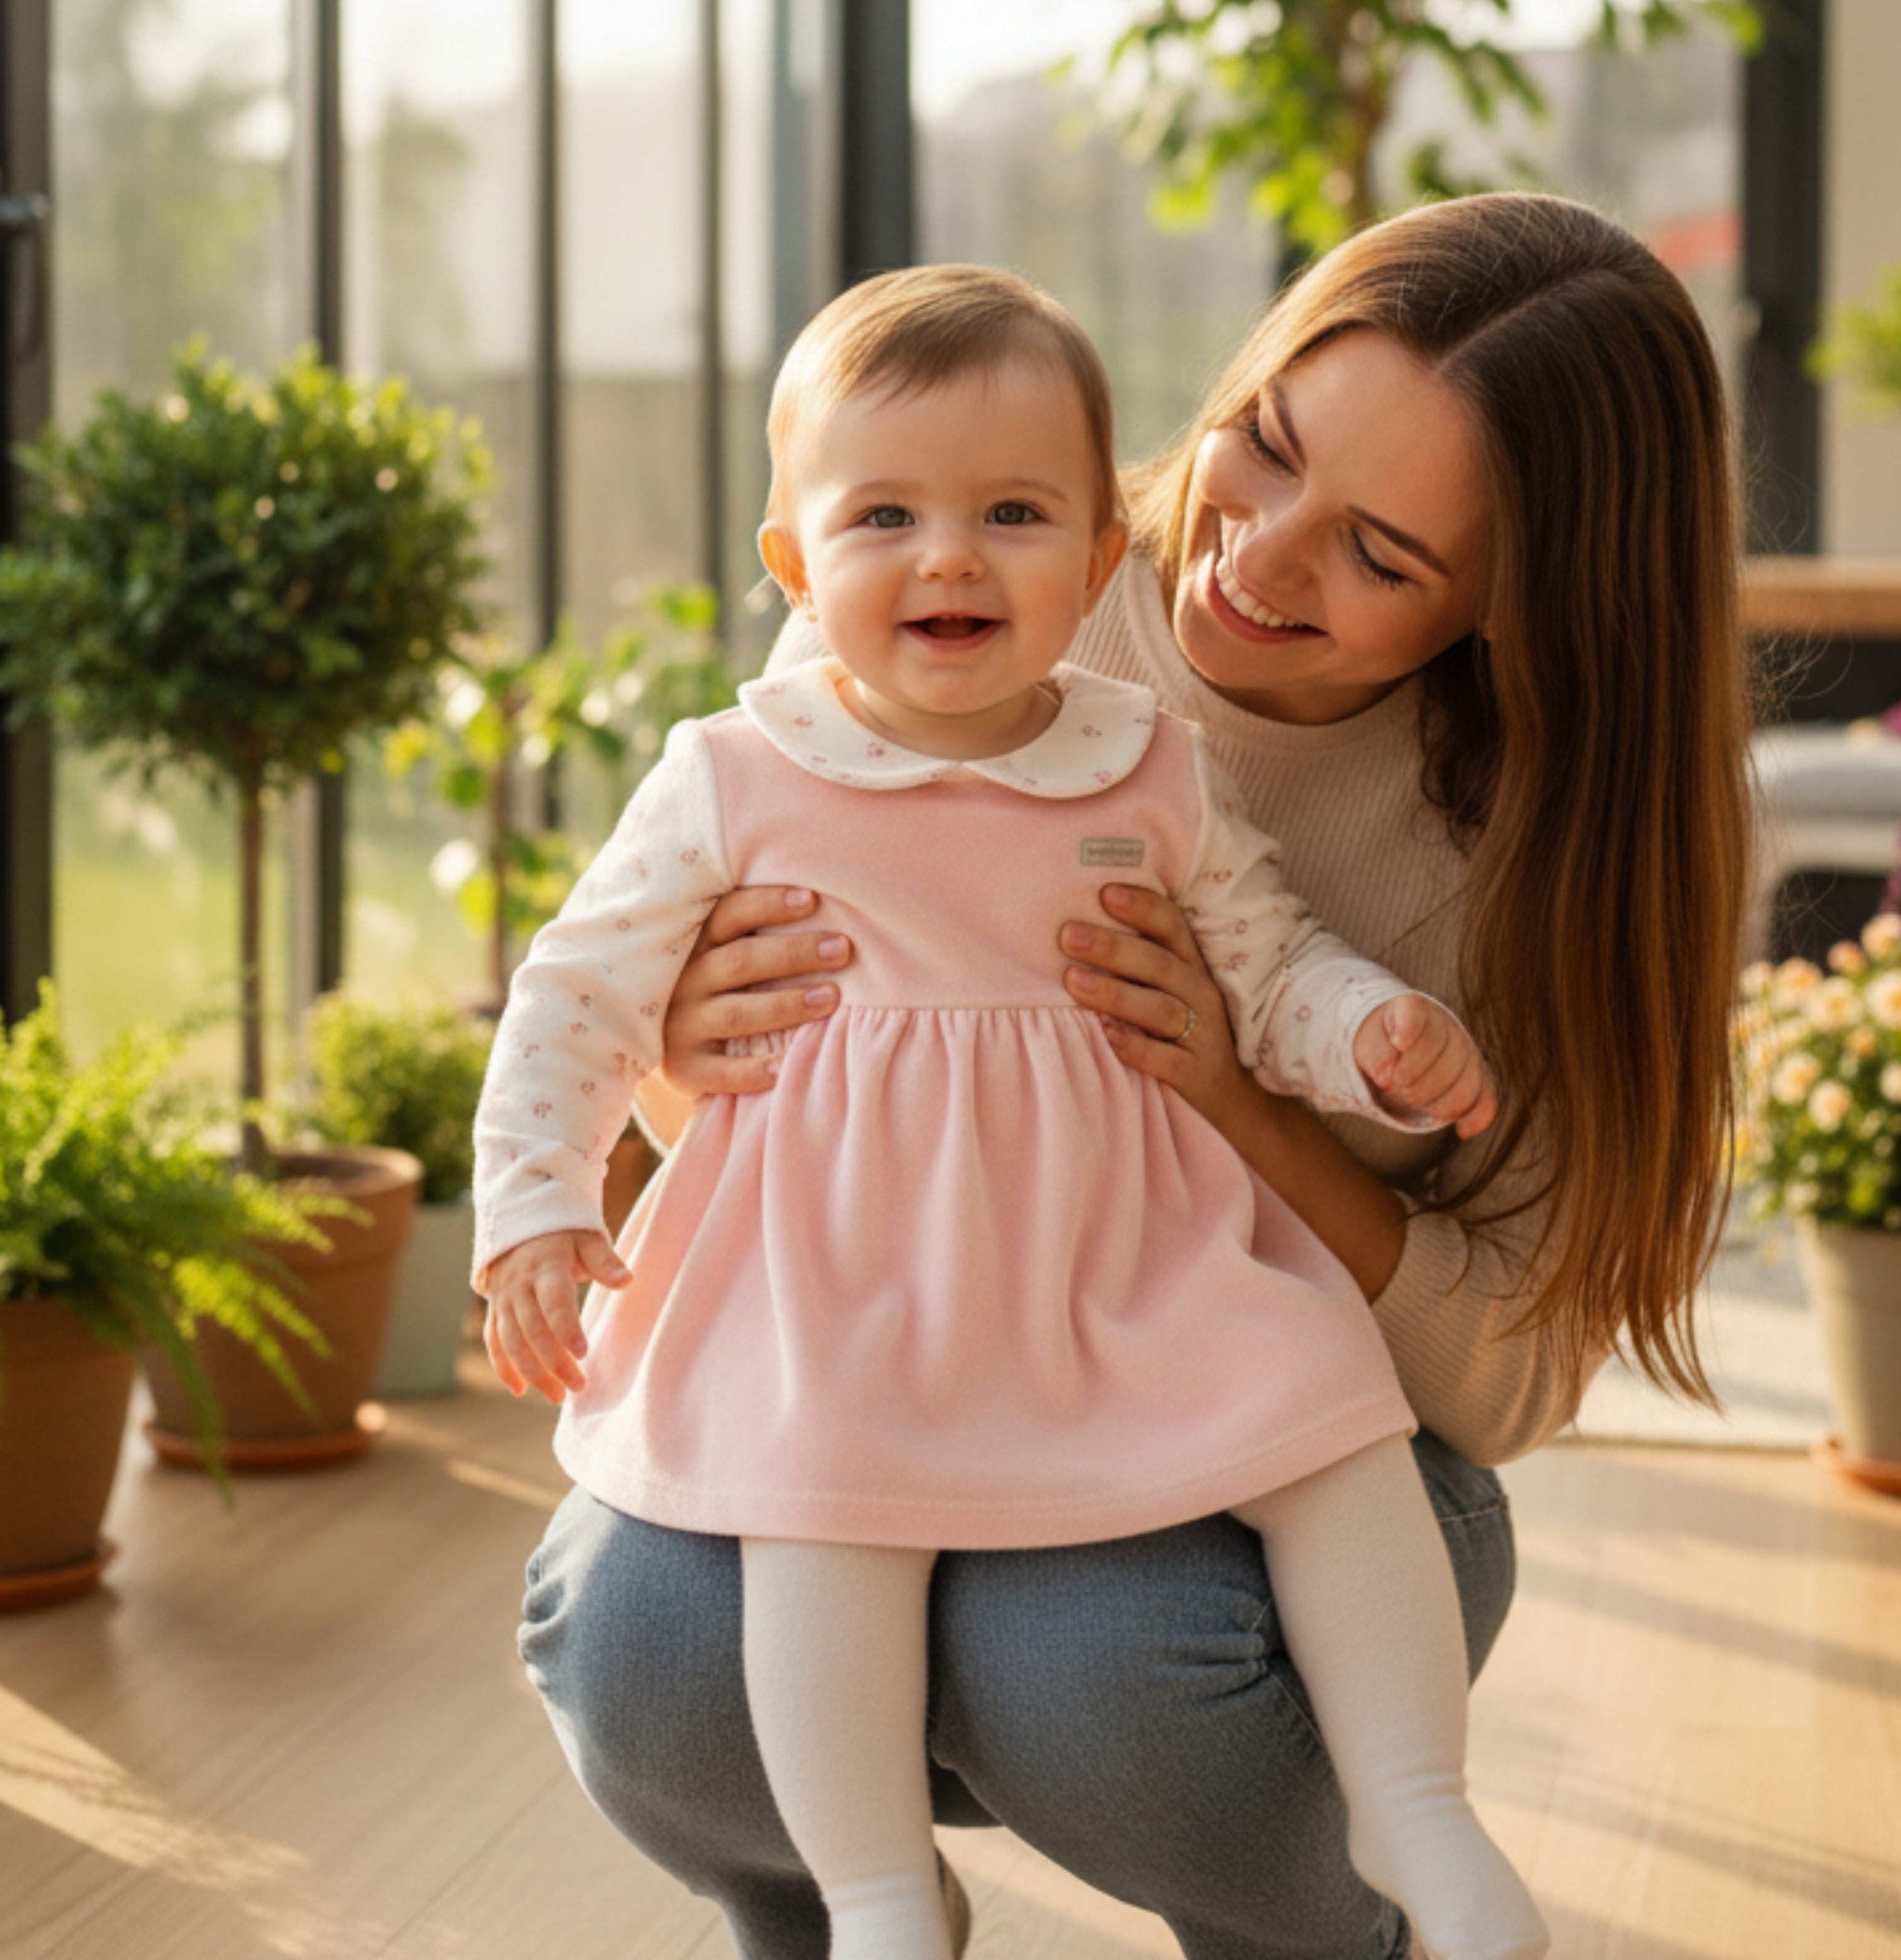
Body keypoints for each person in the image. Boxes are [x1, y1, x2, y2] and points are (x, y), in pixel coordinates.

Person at [508, 194, 1749, 1960]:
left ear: (1516, 615)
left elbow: (1514, 1377)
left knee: (1094, 1671)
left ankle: (1342, 1920)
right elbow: (733, 1079)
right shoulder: (940, 584)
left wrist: (1244, 1104)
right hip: (889, 1330)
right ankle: (857, 1918)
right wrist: (677, 1065)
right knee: (642, 1644)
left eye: (1383, 558)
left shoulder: (1537, 848)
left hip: (1243, 1386)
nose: (1254, 559)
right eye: (1265, 445)